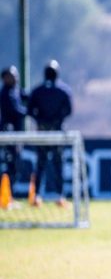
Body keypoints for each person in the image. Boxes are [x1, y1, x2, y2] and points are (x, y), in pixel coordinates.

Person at [28, 60, 72, 207]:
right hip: (57, 133)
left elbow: (30, 110)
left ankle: (37, 197)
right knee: (58, 165)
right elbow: (68, 111)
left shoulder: (37, 90)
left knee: (40, 164)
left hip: (42, 132)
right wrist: (56, 121)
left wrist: (41, 121)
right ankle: (60, 197)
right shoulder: (63, 90)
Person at [0, 65, 27, 189]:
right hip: (8, 135)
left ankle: (9, 196)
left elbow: (28, 96)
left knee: (15, 165)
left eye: (16, 75)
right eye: (12, 76)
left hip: (15, 135)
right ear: (5, 78)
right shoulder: (5, 94)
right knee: (9, 164)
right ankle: (6, 195)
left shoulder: (15, 91)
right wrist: (30, 111)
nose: (15, 78)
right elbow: (15, 111)